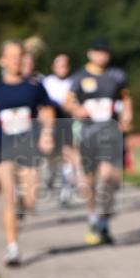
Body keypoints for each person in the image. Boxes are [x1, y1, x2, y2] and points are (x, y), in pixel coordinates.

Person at [0, 40, 55, 265]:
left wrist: (47, 133)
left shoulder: (34, 86)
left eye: (19, 56)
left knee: (30, 200)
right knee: (9, 196)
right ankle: (13, 248)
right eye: (10, 56)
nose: (15, 60)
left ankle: (22, 208)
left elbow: (47, 110)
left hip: (28, 148)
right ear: (1, 60)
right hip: (3, 148)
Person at [65, 40, 132, 245]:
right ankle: (93, 216)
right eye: (98, 52)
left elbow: (126, 99)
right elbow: (68, 101)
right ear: (90, 53)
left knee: (110, 177)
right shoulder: (79, 77)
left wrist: (127, 117)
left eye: (105, 53)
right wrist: (77, 110)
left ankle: (104, 218)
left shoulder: (117, 76)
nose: (102, 56)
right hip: (88, 134)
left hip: (110, 133)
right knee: (91, 179)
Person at [42, 52, 77, 206]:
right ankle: (49, 179)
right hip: (50, 125)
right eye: (60, 64)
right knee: (50, 158)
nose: (63, 68)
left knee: (68, 158)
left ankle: (65, 193)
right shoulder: (46, 82)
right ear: (54, 66)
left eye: (65, 65)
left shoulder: (73, 83)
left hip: (67, 123)